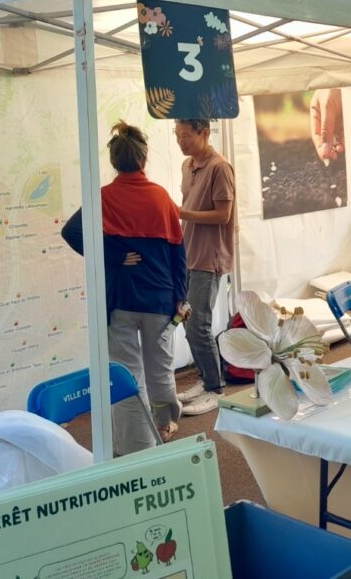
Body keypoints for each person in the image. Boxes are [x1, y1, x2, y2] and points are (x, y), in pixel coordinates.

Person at [61, 121, 186, 453]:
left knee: (127, 376)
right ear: (144, 159)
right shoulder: (161, 197)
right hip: (160, 300)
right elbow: (178, 252)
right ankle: (165, 425)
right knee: (160, 370)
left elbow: (71, 232)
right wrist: (181, 297)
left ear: (115, 162)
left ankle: (136, 445)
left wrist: (114, 255)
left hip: (119, 300)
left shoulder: (103, 197)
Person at [175, 118, 236, 416]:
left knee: (198, 324)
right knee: (188, 323)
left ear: (205, 133)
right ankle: (205, 379)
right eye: (177, 135)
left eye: (186, 135)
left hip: (209, 257)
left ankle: (215, 388)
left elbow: (223, 215)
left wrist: (181, 213)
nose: (181, 141)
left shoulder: (220, 167)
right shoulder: (187, 166)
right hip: (187, 253)